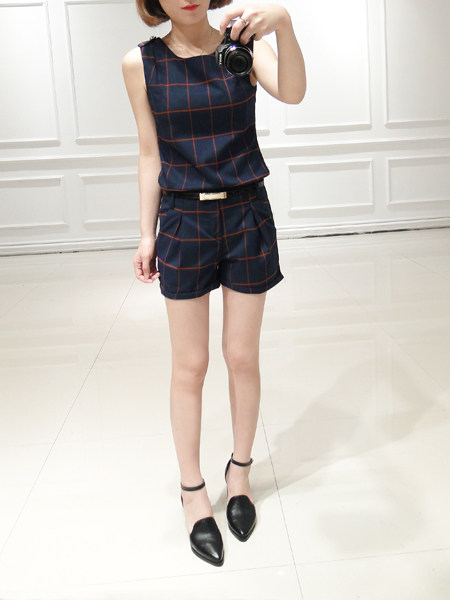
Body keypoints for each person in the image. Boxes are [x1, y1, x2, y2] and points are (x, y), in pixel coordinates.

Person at [122, 0, 306, 567]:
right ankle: (192, 490)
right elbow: (150, 152)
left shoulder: (241, 45)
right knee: (190, 365)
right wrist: (146, 233)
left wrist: (283, 23)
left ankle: (240, 473)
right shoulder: (141, 63)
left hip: (247, 211)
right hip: (183, 218)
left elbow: (293, 92)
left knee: (242, 356)